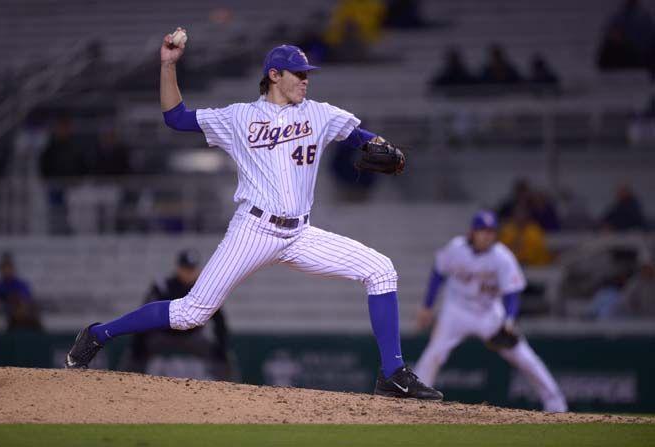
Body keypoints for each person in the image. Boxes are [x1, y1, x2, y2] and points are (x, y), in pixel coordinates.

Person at [64, 30, 442, 400]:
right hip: (254, 229)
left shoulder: (320, 114)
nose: (306, 81)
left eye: (308, 74)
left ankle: (393, 375)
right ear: (274, 76)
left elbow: (357, 134)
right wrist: (167, 66)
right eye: (299, 74)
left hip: (300, 235)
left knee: (380, 270)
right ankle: (99, 334)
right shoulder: (238, 117)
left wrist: (382, 144)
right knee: (189, 314)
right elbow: (176, 118)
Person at [413, 211, 567, 412]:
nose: (486, 235)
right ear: (472, 232)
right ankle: (414, 403)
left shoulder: (502, 257)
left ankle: (555, 403)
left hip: (488, 312)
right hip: (456, 309)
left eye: (490, 231)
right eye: (482, 230)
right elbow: (438, 273)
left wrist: (509, 320)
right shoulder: (456, 248)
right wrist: (427, 306)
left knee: (524, 356)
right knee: (433, 355)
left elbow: (512, 293)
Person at [124, 249, 235, 380]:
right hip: (163, 334)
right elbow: (145, 314)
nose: (189, 273)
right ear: (178, 268)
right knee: (135, 353)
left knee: (222, 357)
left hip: (193, 335)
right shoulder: (163, 286)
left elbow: (219, 321)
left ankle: (228, 390)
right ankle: (126, 382)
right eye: (186, 268)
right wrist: (139, 345)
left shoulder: (206, 289)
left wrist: (221, 347)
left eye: (192, 269)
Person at [0, 252, 43, 331]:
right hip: (8, 315)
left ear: (13, 269)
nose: (6, 271)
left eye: (8, 268)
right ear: (1, 269)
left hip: (22, 314)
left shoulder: (20, 284)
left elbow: (26, 299)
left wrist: (18, 303)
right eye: (4, 268)